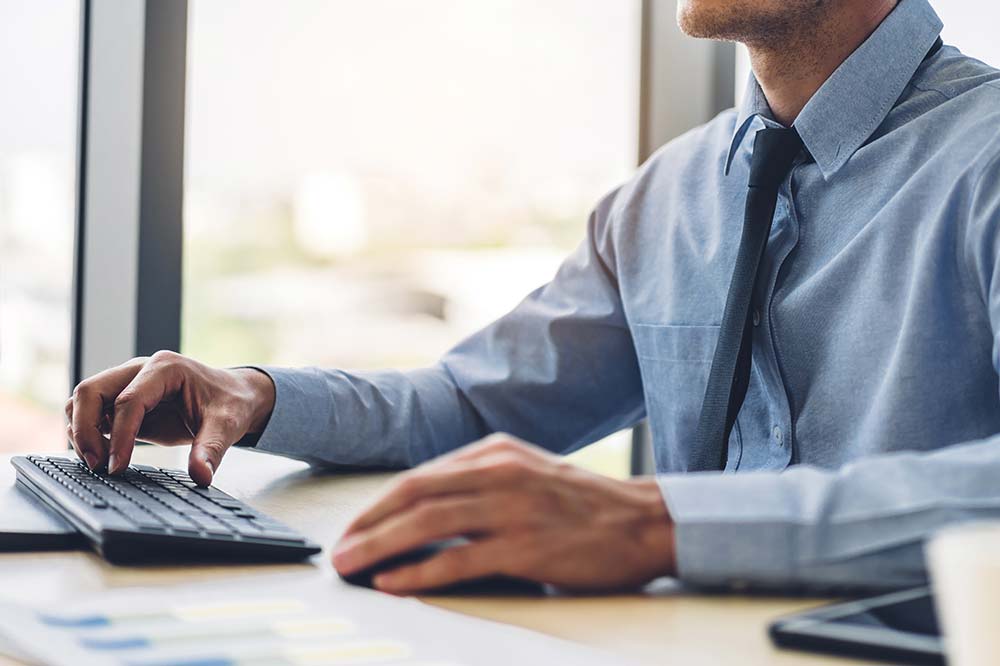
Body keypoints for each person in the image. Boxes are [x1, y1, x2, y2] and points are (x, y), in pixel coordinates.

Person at [67, 0, 1000, 594]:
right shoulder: (666, 198)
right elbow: (473, 403)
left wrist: (656, 524)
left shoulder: (986, 157)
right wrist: (258, 394)